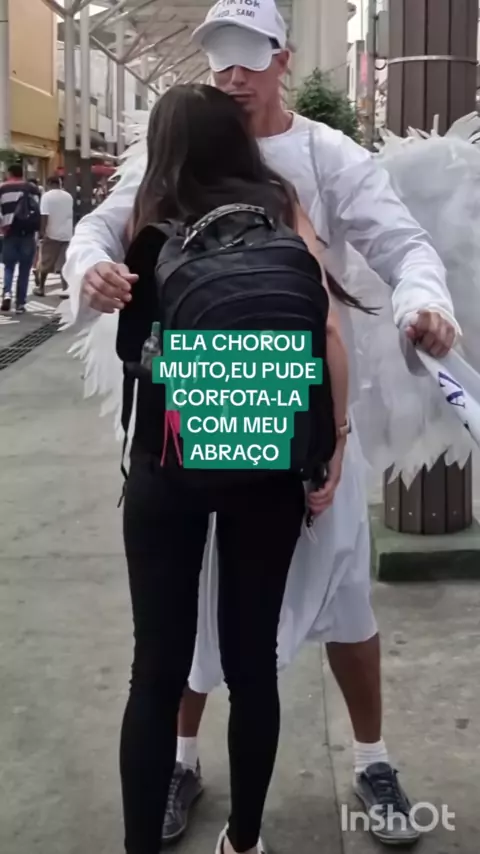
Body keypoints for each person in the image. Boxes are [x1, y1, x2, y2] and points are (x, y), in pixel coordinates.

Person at [61, 0, 460, 848]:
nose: (234, 75)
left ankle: (372, 758)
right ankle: (182, 762)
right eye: (220, 58)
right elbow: (102, 226)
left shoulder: (324, 157)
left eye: (250, 55)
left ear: (284, 60)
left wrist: (421, 306)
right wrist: (93, 266)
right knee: (192, 622)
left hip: (302, 426)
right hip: (199, 424)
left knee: (342, 600)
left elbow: (400, 248)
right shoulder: (178, 152)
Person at [115, 83, 350, 854]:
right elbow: (325, 330)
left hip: (170, 461)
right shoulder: (280, 209)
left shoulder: (154, 219)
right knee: (253, 666)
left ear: (166, 146)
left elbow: (133, 352)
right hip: (267, 462)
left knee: (156, 671)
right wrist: (332, 444)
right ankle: (244, 843)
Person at [0, 163, 41, 314]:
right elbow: (38, 210)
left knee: (9, 266)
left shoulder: (2, 188)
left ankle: (7, 293)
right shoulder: (32, 188)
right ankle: (20, 304)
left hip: (10, 232)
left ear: (9, 173)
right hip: (28, 233)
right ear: (22, 173)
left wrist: (3, 226)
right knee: (24, 269)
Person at [34, 176, 74, 298]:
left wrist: (42, 232)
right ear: (60, 183)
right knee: (64, 263)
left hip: (51, 233)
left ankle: (41, 288)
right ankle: (65, 289)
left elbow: (44, 215)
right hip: (67, 234)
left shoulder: (47, 196)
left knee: (46, 261)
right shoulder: (68, 196)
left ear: (49, 183)